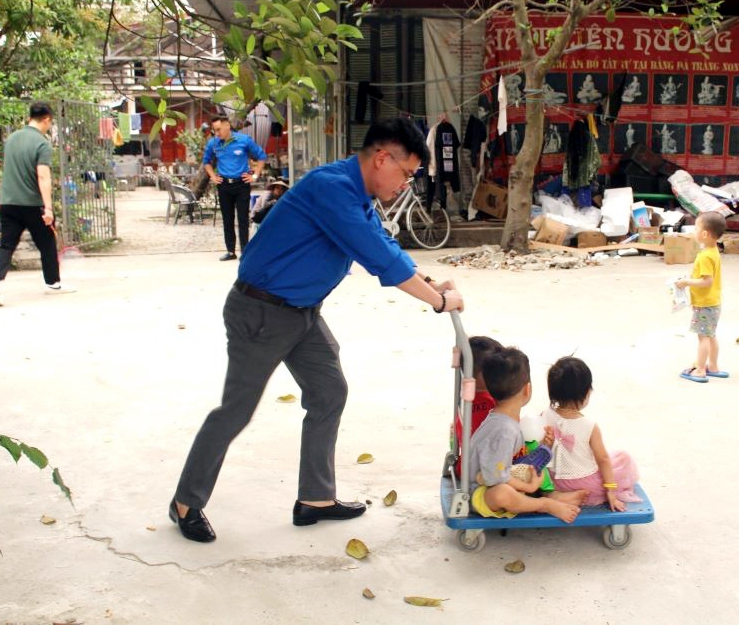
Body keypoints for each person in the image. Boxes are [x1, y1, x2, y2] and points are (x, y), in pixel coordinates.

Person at [169, 118, 465, 543]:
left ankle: (315, 498)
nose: (406, 184)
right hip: (261, 311)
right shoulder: (332, 189)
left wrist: (429, 279)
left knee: (329, 391)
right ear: (382, 158)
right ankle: (185, 502)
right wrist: (438, 301)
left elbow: (381, 241)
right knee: (236, 411)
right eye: (406, 173)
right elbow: (376, 258)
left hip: (302, 312)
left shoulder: (356, 190)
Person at [466, 347, 583, 524]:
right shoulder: (504, 431)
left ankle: (549, 496)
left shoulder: (503, 420)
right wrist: (528, 486)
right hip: (480, 493)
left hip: (495, 477)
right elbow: (494, 478)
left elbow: (505, 463)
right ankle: (544, 504)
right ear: (527, 390)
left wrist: (543, 447)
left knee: (531, 470)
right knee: (503, 494)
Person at [0, 101, 74, 307]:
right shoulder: (41, 143)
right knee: (47, 242)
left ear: (29, 118)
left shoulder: (12, 139)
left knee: (6, 244)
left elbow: (9, 170)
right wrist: (49, 208)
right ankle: (52, 283)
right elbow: (43, 175)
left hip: (8, 203)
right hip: (32, 204)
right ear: (47, 120)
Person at [542, 357, 641, 510]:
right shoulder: (589, 426)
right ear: (587, 392)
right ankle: (577, 495)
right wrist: (611, 491)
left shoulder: (545, 415)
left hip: (553, 481)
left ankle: (558, 495)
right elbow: (603, 459)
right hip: (585, 484)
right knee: (623, 459)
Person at [203, 114, 267, 261]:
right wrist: (213, 176)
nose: (217, 133)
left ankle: (245, 251)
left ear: (227, 126)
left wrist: (255, 175)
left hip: (241, 184)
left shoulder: (243, 140)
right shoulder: (213, 143)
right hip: (224, 184)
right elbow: (206, 161)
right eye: (214, 130)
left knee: (243, 218)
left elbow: (261, 156)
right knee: (227, 219)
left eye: (219, 129)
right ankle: (230, 251)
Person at [675, 211, 728, 383]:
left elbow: (706, 281)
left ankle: (700, 369)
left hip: (705, 304)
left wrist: (686, 282)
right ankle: (713, 366)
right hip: (713, 302)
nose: (694, 230)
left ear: (704, 234)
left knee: (703, 337)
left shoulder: (705, 256)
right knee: (711, 335)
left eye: (696, 227)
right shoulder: (713, 251)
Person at [453, 336, 503, 478]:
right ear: (483, 374)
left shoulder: (466, 396)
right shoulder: (491, 405)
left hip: (464, 465)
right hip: (480, 471)